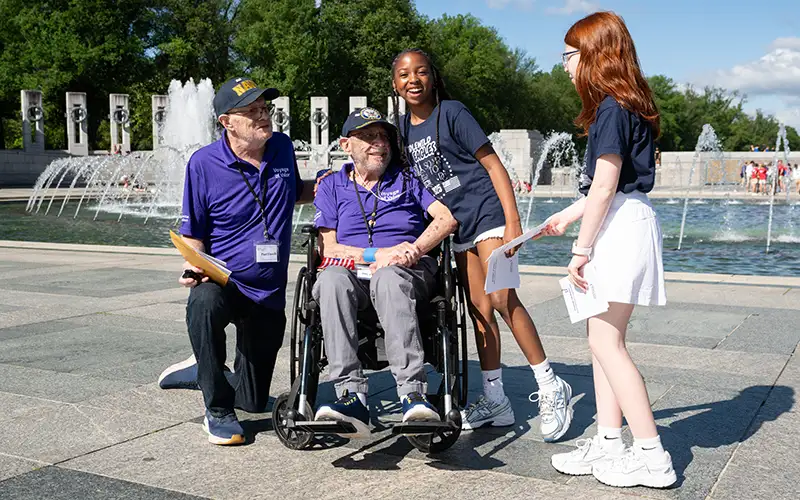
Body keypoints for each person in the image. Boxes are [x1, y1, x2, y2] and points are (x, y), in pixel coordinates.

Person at [390, 48, 574, 441]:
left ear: (433, 77)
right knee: (478, 311)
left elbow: (493, 165)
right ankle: (496, 398)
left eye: (421, 71)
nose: (413, 80)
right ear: (395, 84)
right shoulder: (403, 129)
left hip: (487, 215)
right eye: (404, 74)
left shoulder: (452, 112)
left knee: (504, 299)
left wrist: (512, 222)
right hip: (457, 227)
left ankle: (550, 385)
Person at [542, 12, 676, 488]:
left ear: (595, 54)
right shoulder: (623, 105)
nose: (563, 66)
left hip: (620, 230)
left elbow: (604, 188)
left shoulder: (612, 109)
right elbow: (606, 189)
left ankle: (651, 456)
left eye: (569, 55)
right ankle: (609, 441)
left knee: (607, 343)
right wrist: (566, 218)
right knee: (601, 343)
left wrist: (580, 249)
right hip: (625, 223)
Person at [157, 77, 315, 446]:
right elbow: (193, 229)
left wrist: (341, 182)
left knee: (254, 400)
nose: (264, 116)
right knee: (203, 303)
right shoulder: (203, 164)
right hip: (225, 282)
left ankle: (203, 368)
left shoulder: (281, 147)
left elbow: (292, 192)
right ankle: (216, 409)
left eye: (266, 109)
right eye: (253, 111)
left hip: (268, 292)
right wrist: (195, 265)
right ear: (227, 122)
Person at [311, 108, 458, 436]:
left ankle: (413, 395)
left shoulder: (407, 180)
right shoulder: (332, 185)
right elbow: (329, 248)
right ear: (346, 145)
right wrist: (378, 254)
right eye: (368, 137)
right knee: (331, 279)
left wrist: (413, 250)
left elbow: (446, 218)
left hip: (408, 272)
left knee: (388, 277)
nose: (379, 143)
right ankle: (351, 397)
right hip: (353, 273)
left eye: (383, 136)